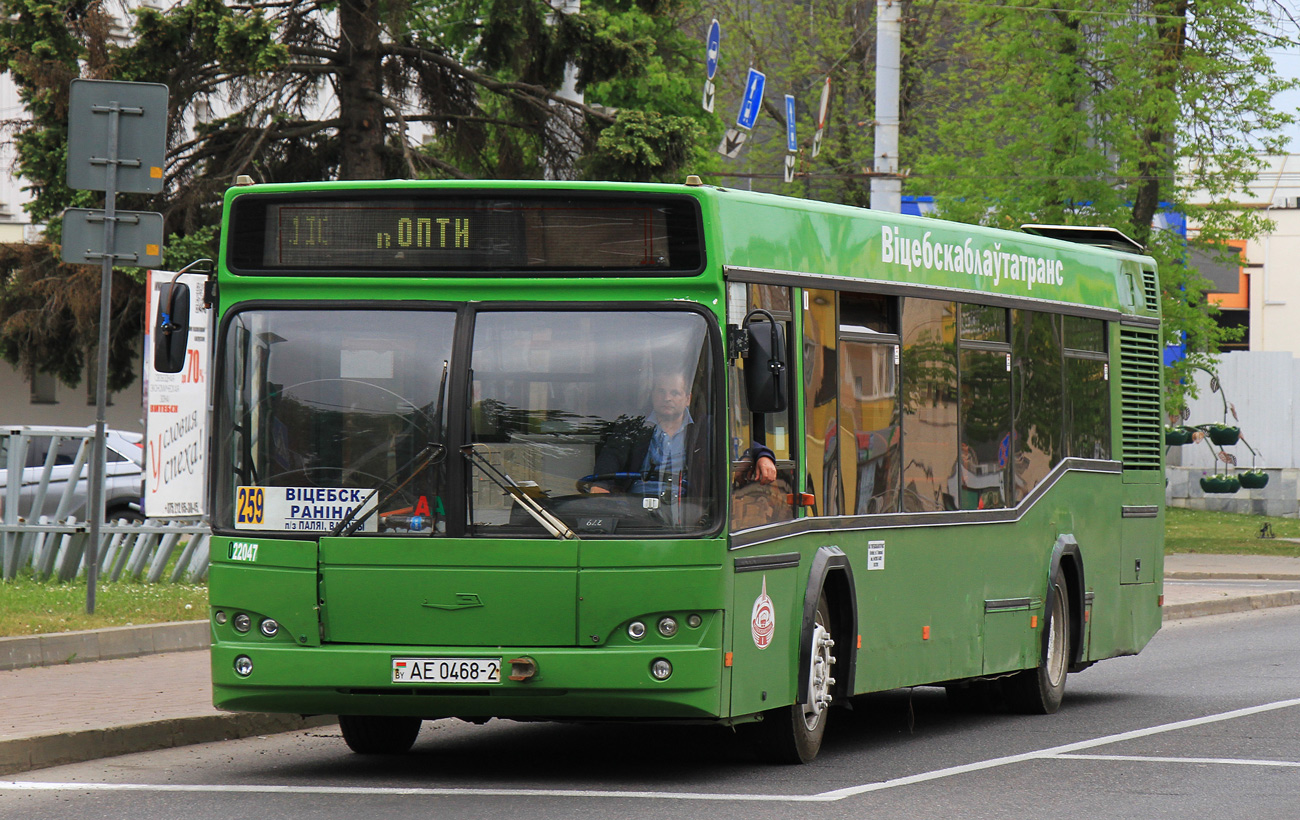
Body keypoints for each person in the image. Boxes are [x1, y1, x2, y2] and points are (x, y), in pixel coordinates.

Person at [589, 371, 776, 504]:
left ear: (687, 398)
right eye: (661, 391)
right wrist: (601, 484)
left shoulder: (706, 427)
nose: (667, 398)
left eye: (674, 393)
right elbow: (611, 456)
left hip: (688, 508)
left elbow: (741, 440)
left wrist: (763, 456)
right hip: (634, 505)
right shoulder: (633, 426)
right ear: (653, 395)